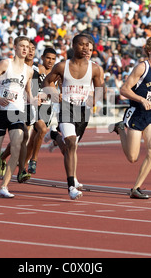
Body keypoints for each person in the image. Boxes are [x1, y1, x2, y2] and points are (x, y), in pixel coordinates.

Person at [108, 35, 151, 199]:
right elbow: (124, 90)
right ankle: (120, 128)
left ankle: (136, 188)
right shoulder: (142, 68)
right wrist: (141, 99)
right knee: (132, 158)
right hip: (136, 113)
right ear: (149, 50)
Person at [42, 34, 103, 200]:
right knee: (70, 143)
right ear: (74, 46)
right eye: (81, 45)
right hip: (67, 108)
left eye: (88, 46)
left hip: (83, 112)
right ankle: (71, 186)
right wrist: (53, 93)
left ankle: (54, 135)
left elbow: (100, 89)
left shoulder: (95, 68)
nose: (85, 48)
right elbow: (46, 83)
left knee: (71, 147)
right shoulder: (62, 66)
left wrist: (94, 100)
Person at [0, 36, 34, 198]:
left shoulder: (29, 71)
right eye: (22, 46)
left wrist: (38, 100)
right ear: (15, 47)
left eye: (27, 46)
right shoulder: (6, 64)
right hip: (1, 112)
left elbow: (29, 95)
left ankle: (4, 186)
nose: (25, 49)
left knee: (17, 145)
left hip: (17, 112)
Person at [26, 47, 58, 174]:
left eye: (53, 59)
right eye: (48, 58)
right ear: (43, 58)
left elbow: (58, 90)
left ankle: (23, 166)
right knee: (42, 130)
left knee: (35, 138)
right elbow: (31, 87)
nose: (50, 61)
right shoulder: (37, 69)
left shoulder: (57, 73)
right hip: (34, 105)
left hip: (47, 109)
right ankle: (34, 160)